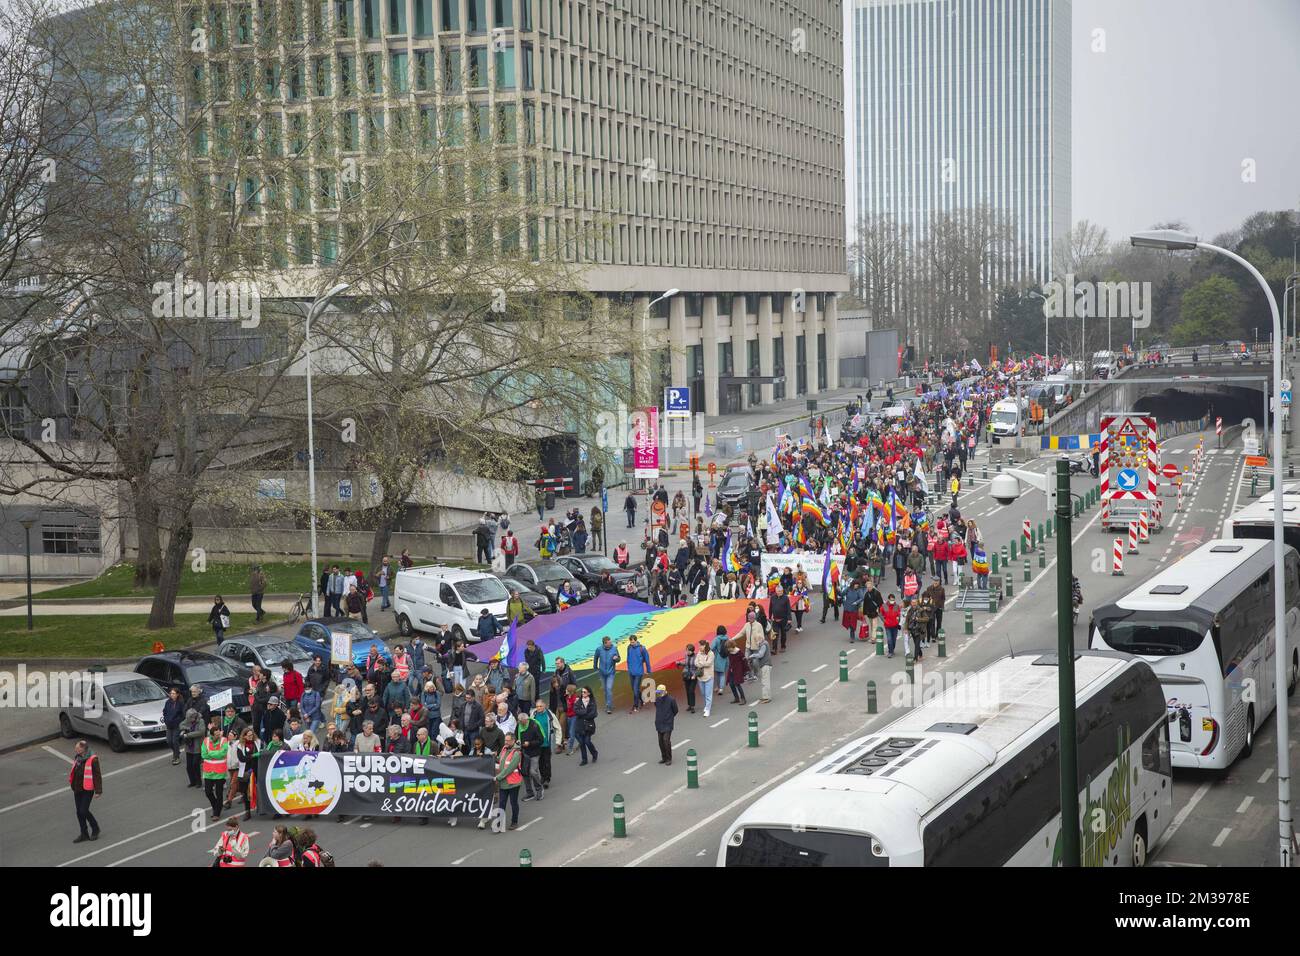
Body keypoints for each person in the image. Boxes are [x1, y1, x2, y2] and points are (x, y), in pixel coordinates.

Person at [69, 739, 102, 843]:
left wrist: (98, 791)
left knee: (83, 810)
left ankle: (95, 828)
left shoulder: (93, 759)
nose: (75, 749)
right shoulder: (78, 758)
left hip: (87, 789)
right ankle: (84, 833)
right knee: (79, 812)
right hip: (77, 789)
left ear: (83, 749)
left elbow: (97, 776)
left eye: (77, 748)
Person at [494, 732, 524, 831]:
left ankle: (514, 822)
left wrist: (498, 777)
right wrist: (494, 757)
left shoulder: (516, 753)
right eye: (505, 740)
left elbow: (509, 769)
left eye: (507, 740)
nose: (505, 742)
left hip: (513, 783)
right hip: (504, 783)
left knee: (513, 803)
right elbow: (500, 760)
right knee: (501, 804)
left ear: (513, 740)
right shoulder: (504, 749)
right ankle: (499, 824)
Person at [201, 725, 229, 821]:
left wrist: (211, 754)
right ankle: (217, 805)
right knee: (208, 792)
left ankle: (216, 813)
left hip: (220, 771)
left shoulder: (224, 740)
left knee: (219, 792)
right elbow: (204, 754)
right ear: (212, 734)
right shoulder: (206, 741)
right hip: (208, 771)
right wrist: (215, 754)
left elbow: (223, 753)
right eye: (217, 734)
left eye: (219, 733)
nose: (219, 735)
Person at [593, 635, 621, 714]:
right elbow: (596, 657)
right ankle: (609, 703)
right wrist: (595, 666)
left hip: (610, 673)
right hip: (602, 672)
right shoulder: (599, 649)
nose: (611, 644)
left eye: (611, 642)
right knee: (605, 690)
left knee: (608, 688)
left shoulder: (614, 648)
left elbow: (619, 658)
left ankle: (609, 707)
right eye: (609, 643)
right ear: (605, 644)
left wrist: (616, 659)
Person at [180, 707, 206, 787]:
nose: (189, 720)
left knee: (195, 764)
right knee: (189, 766)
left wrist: (188, 734)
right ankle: (192, 781)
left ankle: (198, 782)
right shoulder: (188, 720)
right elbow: (181, 725)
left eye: (190, 719)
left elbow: (201, 732)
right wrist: (187, 728)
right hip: (189, 747)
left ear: (194, 717)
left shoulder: (201, 721)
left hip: (197, 746)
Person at [572, 686, 599, 765]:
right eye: (582, 692)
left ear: (589, 693)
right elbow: (576, 711)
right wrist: (586, 711)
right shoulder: (578, 702)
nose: (583, 693)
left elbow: (593, 713)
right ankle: (584, 759)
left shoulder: (592, 702)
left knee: (587, 741)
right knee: (582, 742)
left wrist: (583, 714)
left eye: (585, 692)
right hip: (580, 726)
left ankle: (594, 753)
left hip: (589, 726)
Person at [625, 634, 651, 713]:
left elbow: (647, 660)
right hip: (631, 672)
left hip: (639, 672)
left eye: (633, 642)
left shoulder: (642, 649)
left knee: (635, 690)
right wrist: (629, 668)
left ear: (636, 640)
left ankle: (635, 706)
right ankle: (642, 700)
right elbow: (628, 658)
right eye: (631, 642)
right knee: (634, 689)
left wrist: (648, 670)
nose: (632, 644)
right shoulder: (629, 647)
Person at [653, 684, 678, 765]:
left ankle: (668, 758)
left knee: (666, 740)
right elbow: (657, 707)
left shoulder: (671, 700)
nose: (658, 693)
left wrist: (669, 717)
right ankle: (663, 757)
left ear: (663, 691)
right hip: (659, 723)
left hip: (667, 723)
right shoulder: (657, 700)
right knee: (660, 741)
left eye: (659, 692)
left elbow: (675, 710)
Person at [162, 686, 185, 765]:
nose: (172, 695)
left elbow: (183, 714)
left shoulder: (180, 703)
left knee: (175, 741)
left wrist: (179, 721)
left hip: (176, 725)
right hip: (169, 725)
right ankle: (176, 751)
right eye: (171, 693)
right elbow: (165, 712)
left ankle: (176, 757)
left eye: (174, 693)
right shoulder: (168, 702)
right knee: (169, 741)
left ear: (177, 694)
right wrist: (165, 720)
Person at [747, 631, 773, 703]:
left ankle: (767, 697)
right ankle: (765, 696)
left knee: (765, 681)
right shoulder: (764, 644)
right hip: (765, 665)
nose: (756, 642)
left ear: (759, 639)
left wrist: (752, 656)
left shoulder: (763, 645)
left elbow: (760, 654)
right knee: (764, 681)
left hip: (766, 665)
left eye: (756, 640)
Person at [695, 640, 716, 719]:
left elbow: (709, 663)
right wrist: (702, 663)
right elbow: (695, 662)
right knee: (703, 693)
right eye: (699, 646)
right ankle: (707, 705)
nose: (699, 647)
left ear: (705, 646)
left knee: (708, 694)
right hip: (700, 677)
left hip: (709, 676)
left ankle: (707, 709)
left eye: (701, 645)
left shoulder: (711, 654)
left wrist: (700, 663)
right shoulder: (699, 653)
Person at [768, 586, 792, 652]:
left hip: (783, 619)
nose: (780, 592)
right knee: (775, 634)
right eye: (778, 591)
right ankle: (774, 648)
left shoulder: (786, 598)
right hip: (775, 620)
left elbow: (788, 609)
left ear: (782, 591)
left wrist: (789, 619)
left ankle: (783, 646)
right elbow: (770, 608)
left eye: (781, 591)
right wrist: (770, 617)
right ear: (776, 591)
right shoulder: (772, 597)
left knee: (783, 634)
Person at [677, 643, 699, 713]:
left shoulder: (696, 657)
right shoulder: (686, 655)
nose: (687, 652)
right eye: (686, 650)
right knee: (687, 690)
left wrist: (695, 675)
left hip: (693, 676)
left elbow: (698, 667)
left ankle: (692, 706)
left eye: (688, 651)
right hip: (686, 675)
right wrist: (680, 663)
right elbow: (686, 663)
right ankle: (689, 705)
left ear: (692, 651)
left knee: (691, 691)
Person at [881, 593, 902, 658]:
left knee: (894, 639)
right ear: (889, 599)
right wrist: (884, 620)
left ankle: (892, 649)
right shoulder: (884, 606)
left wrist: (898, 622)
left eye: (893, 600)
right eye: (891, 600)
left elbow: (898, 615)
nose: (892, 601)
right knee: (889, 639)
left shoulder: (896, 606)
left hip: (895, 626)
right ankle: (890, 652)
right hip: (887, 626)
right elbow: (881, 614)